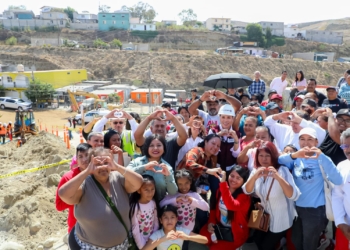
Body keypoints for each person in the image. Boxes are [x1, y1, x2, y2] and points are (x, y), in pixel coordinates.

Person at [58, 147, 143, 250]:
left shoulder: (118, 178)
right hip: (90, 247)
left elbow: (138, 182)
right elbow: (63, 194)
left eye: (106, 162)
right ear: (91, 165)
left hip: (121, 246)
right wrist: (86, 172)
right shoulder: (84, 184)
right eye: (97, 164)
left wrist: (117, 166)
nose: (102, 167)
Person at [278, 128, 343, 250]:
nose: (305, 143)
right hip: (296, 207)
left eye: (310, 139)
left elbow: (338, 180)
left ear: (316, 142)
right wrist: (294, 155)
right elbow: (279, 160)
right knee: (296, 240)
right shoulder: (297, 158)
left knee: (309, 244)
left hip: (315, 210)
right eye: (302, 139)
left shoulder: (323, 159)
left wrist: (322, 156)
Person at [243, 142, 300, 250]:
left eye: (267, 156)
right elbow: (246, 190)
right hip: (265, 217)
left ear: (273, 156)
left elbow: (294, 196)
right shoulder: (256, 171)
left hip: (281, 219)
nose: (264, 159)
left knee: (266, 246)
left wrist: (278, 177)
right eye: (261, 155)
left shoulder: (282, 171)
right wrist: (254, 176)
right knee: (258, 241)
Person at [200, 165, 251, 249]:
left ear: (243, 181)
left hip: (235, 233)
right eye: (232, 176)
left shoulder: (245, 196)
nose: (234, 180)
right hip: (220, 227)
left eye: (238, 178)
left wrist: (223, 184)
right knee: (204, 236)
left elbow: (232, 206)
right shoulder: (221, 190)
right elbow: (213, 208)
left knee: (214, 248)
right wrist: (211, 222)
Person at [127, 134, 177, 201]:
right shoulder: (137, 162)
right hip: (137, 206)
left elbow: (173, 192)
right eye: (151, 145)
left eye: (159, 145)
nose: (155, 148)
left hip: (159, 207)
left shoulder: (167, 167)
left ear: (164, 149)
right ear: (146, 148)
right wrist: (143, 168)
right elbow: (125, 174)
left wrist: (168, 176)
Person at [56, 143, 92, 233]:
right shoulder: (68, 177)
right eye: (80, 156)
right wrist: (76, 198)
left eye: (87, 155)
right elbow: (59, 205)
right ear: (77, 159)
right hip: (76, 228)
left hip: (98, 226)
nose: (84, 159)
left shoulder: (100, 173)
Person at [141, 205, 208, 250]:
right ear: (161, 220)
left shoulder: (181, 231)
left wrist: (188, 237)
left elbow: (205, 240)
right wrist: (162, 239)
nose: (169, 221)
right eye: (165, 218)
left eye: (172, 217)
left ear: (176, 219)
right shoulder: (158, 235)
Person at [332, 128, 350, 250]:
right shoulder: (342, 166)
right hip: (346, 227)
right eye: (344, 146)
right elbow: (337, 195)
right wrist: (340, 222)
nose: (347, 150)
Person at [130, 175, 159, 250]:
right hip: (141, 243)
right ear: (139, 190)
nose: (150, 193)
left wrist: (153, 237)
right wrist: (141, 246)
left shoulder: (153, 202)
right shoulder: (135, 206)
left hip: (152, 239)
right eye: (146, 190)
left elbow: (155, 220)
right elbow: (135, 227)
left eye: (152, 189)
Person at [209, 104, 241, 171]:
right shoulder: (213, 131)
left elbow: (236, 155)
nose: (225, 120)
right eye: (223, 117)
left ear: (233, 118)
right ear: (219, 117)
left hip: (231, 170)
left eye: (229, 117)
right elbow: (210, 151)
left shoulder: (237, 133)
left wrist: (235, 139)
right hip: (215, 168)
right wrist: (218, 136)